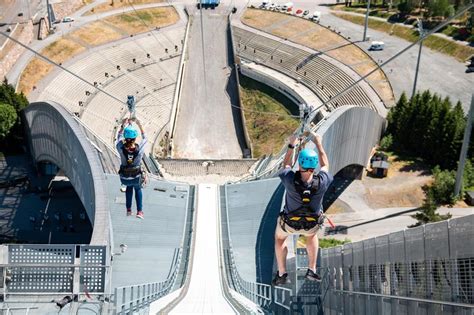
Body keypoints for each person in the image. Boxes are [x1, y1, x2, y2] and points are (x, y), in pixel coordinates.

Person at [273, 131, 333, 285]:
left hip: (289, 224)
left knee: (279, 239)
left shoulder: (290, 179)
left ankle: (282, 273)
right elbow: (326, 165)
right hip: (310, 225)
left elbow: (285, 164)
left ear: (300, 164)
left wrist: (292, 144)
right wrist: (318, 143)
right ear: (315, 166)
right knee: (312, 236)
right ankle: (311, 269)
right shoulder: (323, 181)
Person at [116, 118, 147, 219]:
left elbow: (118, 137)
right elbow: (145, 138)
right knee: (137, 189)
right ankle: (140, 211)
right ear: (135, 137)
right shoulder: (140, 149)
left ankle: (129, 210)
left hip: (124, 178)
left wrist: (123, 125)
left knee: (129, 187)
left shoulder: (120, 147)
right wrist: (139, 124)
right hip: (136, 177)